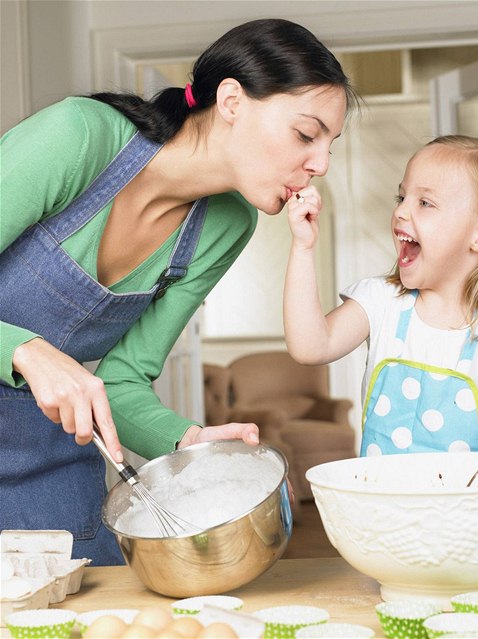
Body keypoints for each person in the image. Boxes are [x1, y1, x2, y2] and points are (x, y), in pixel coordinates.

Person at [0, 18, 355, 564]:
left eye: (329, 145)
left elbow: (120, 379)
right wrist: (25, 350)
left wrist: (187, 441)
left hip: (49, 467)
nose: (320, 164)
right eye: (306, 135)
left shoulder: (227, 225)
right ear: (232, 100)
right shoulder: (79, 137)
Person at [284, 135, 478, 458]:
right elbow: (309, 346)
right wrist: (303, 248)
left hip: (474, 509)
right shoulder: (380, 302)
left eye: (424, 203)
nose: (401, 211)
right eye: (401, 197)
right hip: (383, 506)